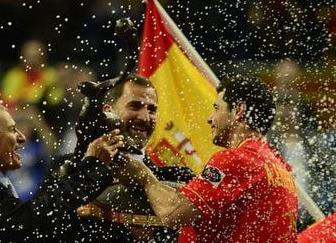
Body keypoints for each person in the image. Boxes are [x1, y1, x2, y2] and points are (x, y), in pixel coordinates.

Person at [117, 75, 298, 242]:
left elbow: (172, 213)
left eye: (217, 108)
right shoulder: (280, 169)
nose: (210, 119)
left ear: (239, 110)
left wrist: (145, 177)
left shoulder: (239, 159)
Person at [0, 102, 124, 242]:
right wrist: (92, 168)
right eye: (11, 130)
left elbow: (35, 213)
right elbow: (35, 220)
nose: (22, 137)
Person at [62, 73, 194, 242]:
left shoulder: (178, 176)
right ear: (109, 112)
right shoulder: (68, 170)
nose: (145, 118)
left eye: (152, 110)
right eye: (135, 106)